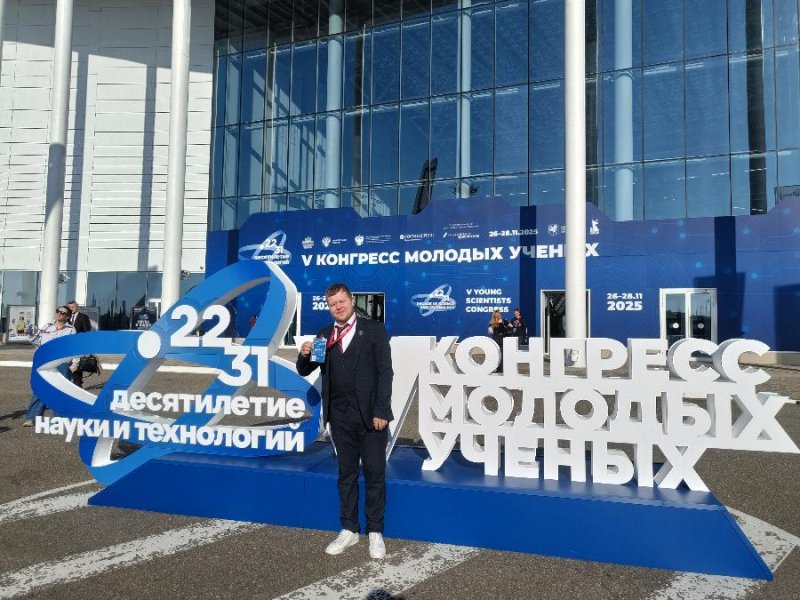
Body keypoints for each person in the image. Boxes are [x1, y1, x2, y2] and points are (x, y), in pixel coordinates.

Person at [296, 283, 394, 560]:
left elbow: (385, 372)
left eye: (342, 301)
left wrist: (381, 410)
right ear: (329, 307)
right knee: (346, 474)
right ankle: (349, 528)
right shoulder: (324, 335)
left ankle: (375, 530)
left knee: (374, 474)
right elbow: (306, 369)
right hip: (339, 417)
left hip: (371, 417)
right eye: (333, 304)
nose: (338, 307)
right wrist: (304, 354)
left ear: (352, 301)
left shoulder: (373, 330)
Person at [23, 306, 76, 426]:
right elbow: (37, 342)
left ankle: (58, 419)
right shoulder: (47, 326)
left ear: (67, 317)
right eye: (58, 311)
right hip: (45, 361)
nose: (59, 314)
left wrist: (75, 363)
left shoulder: (71, 330)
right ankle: (32, 418)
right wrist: (30, 334)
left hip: (61, 363)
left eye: (63, 313)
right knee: (40, 389)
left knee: (60, 390)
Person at [67, 300, 92, 388]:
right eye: (69, 307)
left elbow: (87, 331)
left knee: (77, 364)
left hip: (78, 345)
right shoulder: (67, 317)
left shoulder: (83, 317)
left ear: (77, 307)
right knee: (68, 364)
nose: (71, 309)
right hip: (67, 345)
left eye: (72, 307)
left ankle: (78, 384)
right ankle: (69, 383)